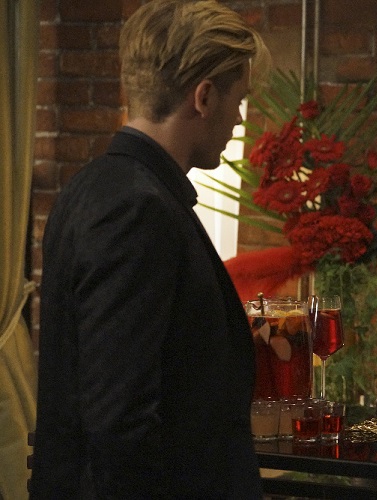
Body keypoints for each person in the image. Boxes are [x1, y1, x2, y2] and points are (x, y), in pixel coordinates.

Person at [29, 1, 270, 497]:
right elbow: (120, 423)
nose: (239, 120)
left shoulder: (97, 187)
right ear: (204, 97)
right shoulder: (137, 208)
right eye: (240, 100)